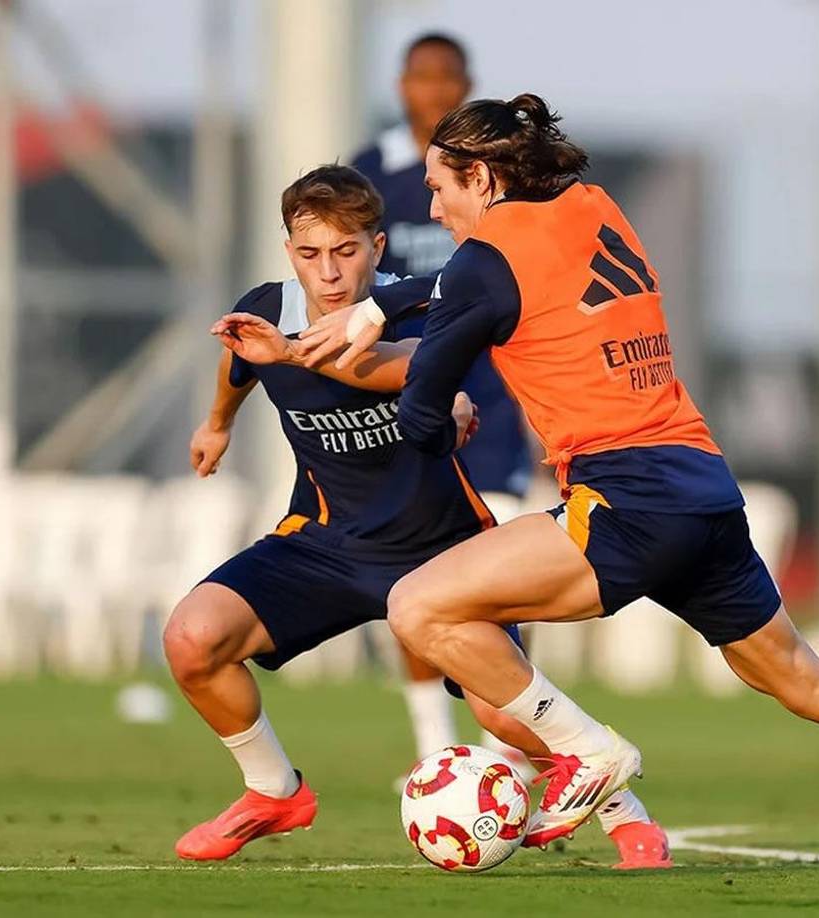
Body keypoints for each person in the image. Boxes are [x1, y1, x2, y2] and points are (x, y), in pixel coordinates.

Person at [294, 94, 819, 880]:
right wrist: (378, 306)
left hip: (625, 497)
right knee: (805, 675)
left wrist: (438, 420)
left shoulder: (483, 262)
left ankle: (587, 750)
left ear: (482, 176)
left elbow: (424, 405)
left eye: (442, 186)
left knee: (418, 606)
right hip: (704, 489)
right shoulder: (592, 204)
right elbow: (468, 283)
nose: (433, 207)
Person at [169, 164, 668, 868]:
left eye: (347, 252)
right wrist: (217, 422)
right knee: (192, 639)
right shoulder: (268, 310)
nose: (331, 272)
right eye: (311, 254)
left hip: (444, 553)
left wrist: (298, 356)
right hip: (326, 544)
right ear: (290, 254)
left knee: (507, 711)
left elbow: (403, 366)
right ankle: (272, 791)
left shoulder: (423, 310)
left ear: (378, 247)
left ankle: (627, 816)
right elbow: (239, 359)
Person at [348, 32, 535, 764]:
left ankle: (521, 742)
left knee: (513, 572)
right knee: (418, 575)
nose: (433, 91)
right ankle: (435, 749)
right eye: (421, 78)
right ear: (401, 85)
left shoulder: (499, 176)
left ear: (466, 84)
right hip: (410, 394)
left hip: (489, 396)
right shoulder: (372, 173)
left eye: (447, 79)